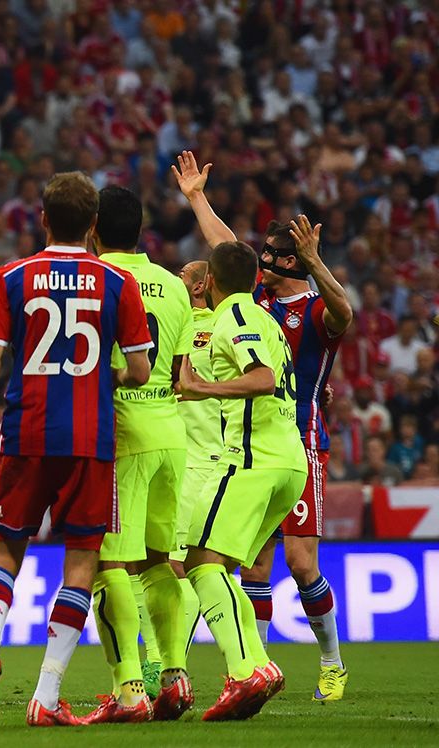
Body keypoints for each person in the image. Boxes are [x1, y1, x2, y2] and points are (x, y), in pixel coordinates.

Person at [0, 172, 153, 728]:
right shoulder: (119, 283)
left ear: (42, 217)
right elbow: (139, 369)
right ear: (93, 225)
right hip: (90, 442)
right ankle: (45, 696)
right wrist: (102, 377)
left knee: (4, 552)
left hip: (27, 434)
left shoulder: (11, 277)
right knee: (82, 564)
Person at [174, 150, 353, 702]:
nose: (266, 262)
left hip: (300, 440)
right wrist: (197, 198)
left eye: (278, 256)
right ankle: (258, 664)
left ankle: (332, 661)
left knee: (301, 563)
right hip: (248, 446)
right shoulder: (256, 301)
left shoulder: (315, 311)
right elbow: (228, 253)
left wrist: (317, 261)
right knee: (251, 562)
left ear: (296, 263)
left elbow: (345, 312)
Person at [175, 241, 306, 721]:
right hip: (288, 461)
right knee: (222, 569)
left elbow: (263, 379)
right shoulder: (264, 316)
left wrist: (202, 389)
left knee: (200, 563)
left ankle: (242, 672)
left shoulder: (236, 319)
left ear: (209, 282)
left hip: (253, 460)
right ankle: (260, 665)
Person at [84, 185, 195, 723]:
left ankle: (128, 685)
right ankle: (175, 675)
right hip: (172, 433)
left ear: (94, 228)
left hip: (120, 434)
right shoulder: (175, 287)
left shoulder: (97, 282)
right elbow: (178, 374)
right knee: (158, 564)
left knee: (109, 564)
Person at [171, 260, 224, 658]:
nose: (176, 280)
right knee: (192, 566)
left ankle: (172, 668)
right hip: (179, 457)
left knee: (178, 567)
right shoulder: (179, 323)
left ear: (200, 286)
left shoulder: (212, 328)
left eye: (182, 276)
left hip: (200, 459)